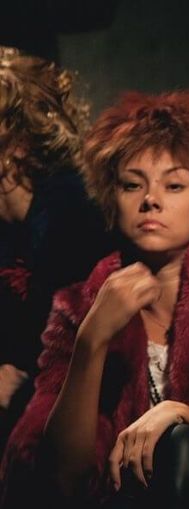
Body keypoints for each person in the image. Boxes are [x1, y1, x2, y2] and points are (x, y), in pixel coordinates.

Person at [0, 91, 189, 509]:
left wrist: (181, 415)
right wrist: (91, 341)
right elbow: (63, 479)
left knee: (183, 445)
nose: (150, 199)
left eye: (174, 185)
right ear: (111, 197)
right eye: (132, 184)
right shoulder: (79, 305)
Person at [0, 46, 114, 453]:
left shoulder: (71, 213)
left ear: (18, 141)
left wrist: (16, 381)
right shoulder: (13, 225)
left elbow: (62, 353)